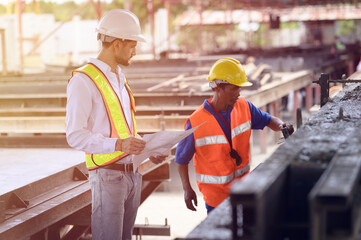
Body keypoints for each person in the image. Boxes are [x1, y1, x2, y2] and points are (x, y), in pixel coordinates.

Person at [66, 9, 167, 240]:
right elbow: (74, 135)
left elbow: (124, 130)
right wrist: (120, 145)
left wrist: (147, 149)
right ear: (117, 44)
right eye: (132, 45)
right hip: (107, 176)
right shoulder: (83, 81)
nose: (135, 51)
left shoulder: (119, 78)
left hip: (132, 174)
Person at [175, 58, 294, 213]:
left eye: (239, 88)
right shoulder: (196, 121)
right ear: (217, 87)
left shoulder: (244, 106)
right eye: (234, 89)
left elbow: (268, 120)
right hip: (216, 200)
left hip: (244, 190)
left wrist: (281, 125)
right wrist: (187, 189)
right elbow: (181, 159)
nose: (238, 93)